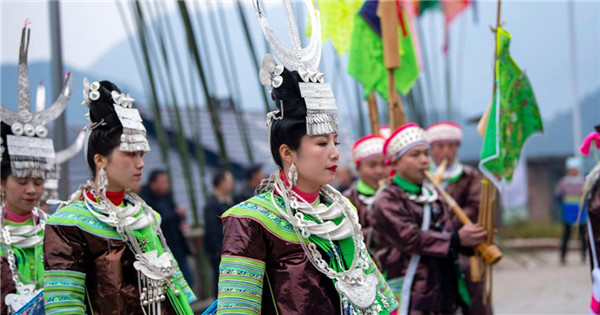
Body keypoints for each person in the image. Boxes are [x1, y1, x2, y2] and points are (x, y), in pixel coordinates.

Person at [214, 4, 398, 312]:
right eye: (321, 142)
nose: (334, 152)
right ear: (287, 152)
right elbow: (237, 309)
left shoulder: (342, 210)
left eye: (335, 141)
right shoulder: (249, 221)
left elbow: (379, 298)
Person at [43, 79, 195, 314]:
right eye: (130, 154)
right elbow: (65, 306)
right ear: (100, 160)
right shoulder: (69, 224)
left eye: (141, 154)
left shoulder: (146, 216)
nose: (140, 164)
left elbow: (176, 296)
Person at [370, 123, 488, 314]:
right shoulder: (387, 199)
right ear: (395, 162)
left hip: (442, 287)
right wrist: (457, 239)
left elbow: (448, 229)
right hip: (412, 286)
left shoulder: (433, 194)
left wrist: (474, 238)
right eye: (415, 155)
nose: (425, 160)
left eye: (426, 153)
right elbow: (410, 238)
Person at [0, 22, 71, 314]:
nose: (32, 189)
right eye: (22, 180)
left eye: (38, 181)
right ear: (1, 182)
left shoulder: (59, 230)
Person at [426, 122, 490, 314]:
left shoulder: (469, 176)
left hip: (466, 252)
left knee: (476, 303)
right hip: (434, 252)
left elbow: (474, 208)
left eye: (451, 146)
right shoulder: (423, 177)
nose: (446, 151)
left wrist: (446, 230)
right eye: (440, 146)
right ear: (431, 150)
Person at [140, 169, 193, 286]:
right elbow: (158, 220)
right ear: (153, 184)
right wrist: (175, 214)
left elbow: (175, 212)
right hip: (162, 247)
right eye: (163, 182)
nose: (166, 185)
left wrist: (182, 220)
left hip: (177, 243)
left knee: (188, 277)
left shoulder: (167, 196)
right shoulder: (145, 199)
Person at [343, 135, 387, 240]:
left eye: (384, 164)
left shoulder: (399, 193)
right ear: (358, 168)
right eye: (372, 165)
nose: (379, 171)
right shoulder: (348, 200)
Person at [203, 170, 234, 296]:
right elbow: (212, 230)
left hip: (229, 248)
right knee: (221, 281)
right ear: (222, 183)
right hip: (219, 251)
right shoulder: (212, 204)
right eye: (229, 181)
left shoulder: (228, 201)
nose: (232, 184)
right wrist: (219, 250)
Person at [555, 156, 587, 264]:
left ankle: (584, 255)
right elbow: (558, 196)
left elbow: (587, 196)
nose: (573, 171)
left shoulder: (584, 182)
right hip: (567, 211)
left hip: (581, 212)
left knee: (583, 235)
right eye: (571, 169)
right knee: (566, 235)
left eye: (575, 169)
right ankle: (563, 256)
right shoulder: (563, 182)